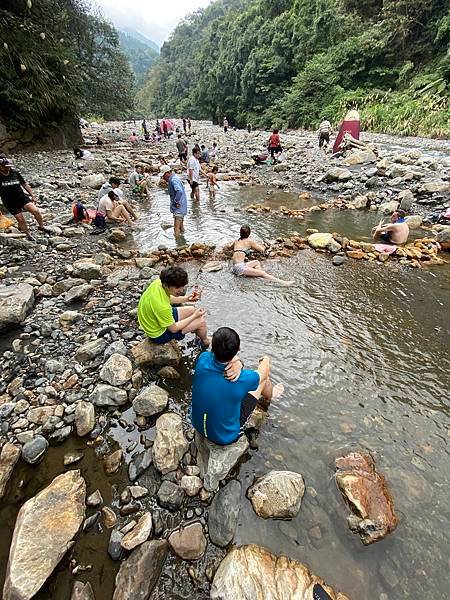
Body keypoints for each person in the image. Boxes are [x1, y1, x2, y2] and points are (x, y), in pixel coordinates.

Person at [191, 327, 284, 445]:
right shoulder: (241, 379)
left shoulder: (202, 359)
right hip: (224, 437)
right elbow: (264, 372)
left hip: (197, 424)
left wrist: (238, 363)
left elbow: (217, 353)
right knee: (264, 380)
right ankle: (270, 397)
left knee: (229, 392)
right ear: (238, 350)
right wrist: (266, 359)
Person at [137, 266, 210, 346]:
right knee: (201, 322)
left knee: (192, 309)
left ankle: (197, 331)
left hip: (152, 320)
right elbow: (173, 329)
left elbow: (168, 298)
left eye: (182, 286)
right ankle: (205, 341)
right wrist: (195, 316)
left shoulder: (158, 283)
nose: (181, 290)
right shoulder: (162, 307)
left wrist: (187, 299)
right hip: (158, 334)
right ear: (166, 285)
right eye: (177, 287)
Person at [0, 154, 46, 241]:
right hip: (9, 201)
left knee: (35, 211)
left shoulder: (15, 173)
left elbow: (24, 184)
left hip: (21, 197)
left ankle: (41, 226)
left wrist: (32, 195)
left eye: (8, 166)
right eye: (5, 166)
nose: (7, 168)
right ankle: (28, 234)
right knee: (20, 219)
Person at [160, 165, 187, 238]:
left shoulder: (173, 180)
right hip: (182, 205)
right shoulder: (175, 178)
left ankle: (178, 245)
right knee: (181, 225)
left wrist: (176, 201)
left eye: (163, 176)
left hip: (178, 206)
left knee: (176, 226)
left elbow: (179, 191)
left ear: (167, 173)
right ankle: (183, 242)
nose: (163, 178)